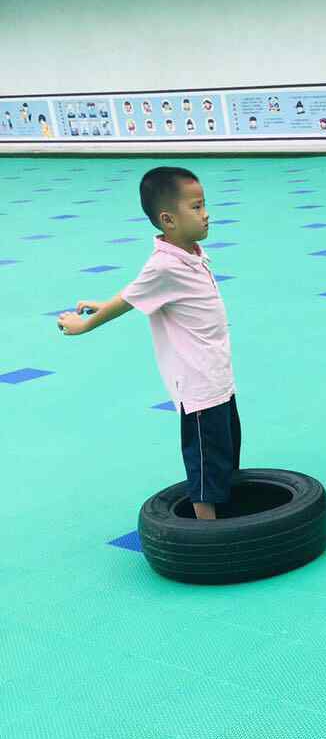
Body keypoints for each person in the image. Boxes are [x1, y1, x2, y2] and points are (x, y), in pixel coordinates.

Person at [56, 167, 240, 521]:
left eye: (205, 205)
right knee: (206, 466)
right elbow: (136, 295)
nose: (206, 214)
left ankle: (224, 519)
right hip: (200, 387)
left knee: (225, 453)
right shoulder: (165, 266)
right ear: (168, 219)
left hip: (220, 379)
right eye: (197, 207)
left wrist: (103, 300)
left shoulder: (190, 253)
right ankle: (209, 539)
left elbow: (134, 290)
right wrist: (85, 324)